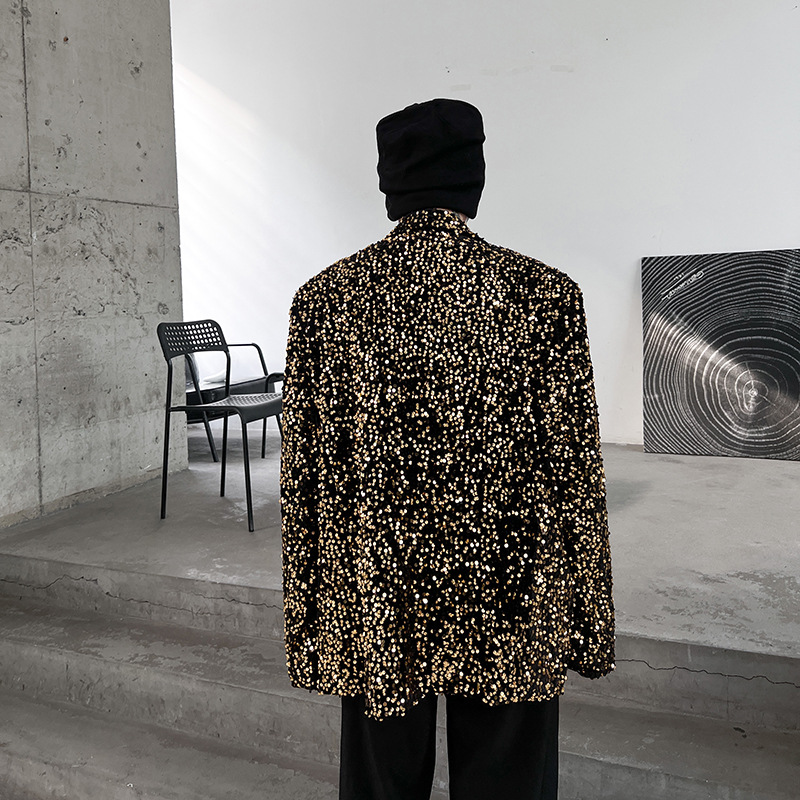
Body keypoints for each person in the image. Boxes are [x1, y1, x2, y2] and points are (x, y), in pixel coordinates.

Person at [281, 98, 614, 800]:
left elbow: (306, 482)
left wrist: (312, 624)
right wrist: (588, 620)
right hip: (511, 591)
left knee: (381, 784)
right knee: (510, 782)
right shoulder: (545, 297)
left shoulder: (325, 302)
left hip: (381, 593)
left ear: (388, 185)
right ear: (476, 179)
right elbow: (576, 475)